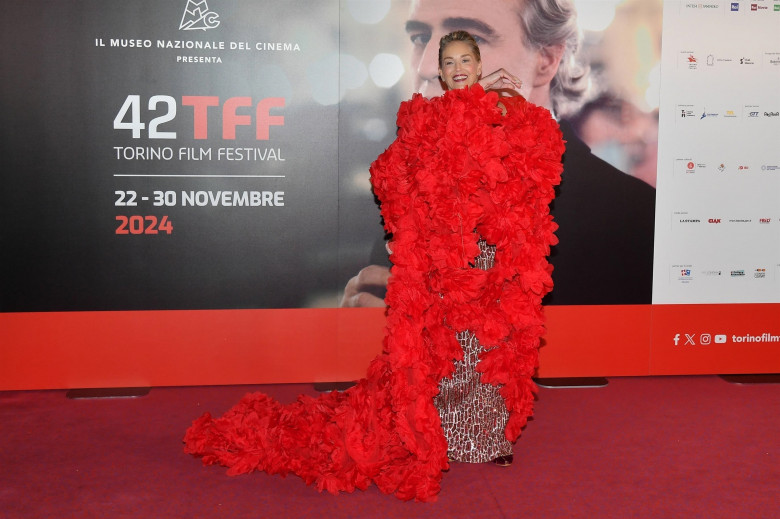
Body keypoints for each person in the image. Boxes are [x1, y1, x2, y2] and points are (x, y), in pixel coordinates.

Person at [184, 30, 564, 501]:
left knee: (486, 352)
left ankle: (485, 439)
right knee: (442, 352)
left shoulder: (505, 113)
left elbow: (538, 155)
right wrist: (407, 227)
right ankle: (441, 434)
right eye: (450, 62)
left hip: (488, 257)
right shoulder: (425, 119)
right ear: (440, 71)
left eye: (467, 59)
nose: (459, 67)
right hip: (440, 261)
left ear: (479, 64)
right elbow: (389, 171)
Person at [341, 0, 656, 308]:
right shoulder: (410, 208)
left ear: (545, 59)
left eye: (471, 38)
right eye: (421, 38)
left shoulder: (632, 221)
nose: (426, 66)